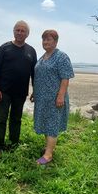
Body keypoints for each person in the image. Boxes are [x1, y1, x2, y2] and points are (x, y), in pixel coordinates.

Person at [0, 20, 37, 156]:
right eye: (17, 30)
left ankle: (13, 145)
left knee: (16, 120)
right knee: (1, 119)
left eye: (23, 31)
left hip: (20, 93)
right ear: (13, 31)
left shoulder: (31, 51)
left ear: (27, 34)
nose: (20, 32)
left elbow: (34, 73)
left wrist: (35, 89)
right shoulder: (4, 48)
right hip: (3, 92)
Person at [31, 29, 74, 165]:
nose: (45, 42)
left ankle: (48, 155)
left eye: (49, 39)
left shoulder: (61, 57)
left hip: (55, 98)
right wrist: (34, 92)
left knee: (52, 124)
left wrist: (60, 96)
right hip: (42, 98)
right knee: (45, 122)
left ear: (55, 41)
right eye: (44, 39)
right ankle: (48, 148)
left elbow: (65, 78)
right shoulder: (42, 57)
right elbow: (40, 77)